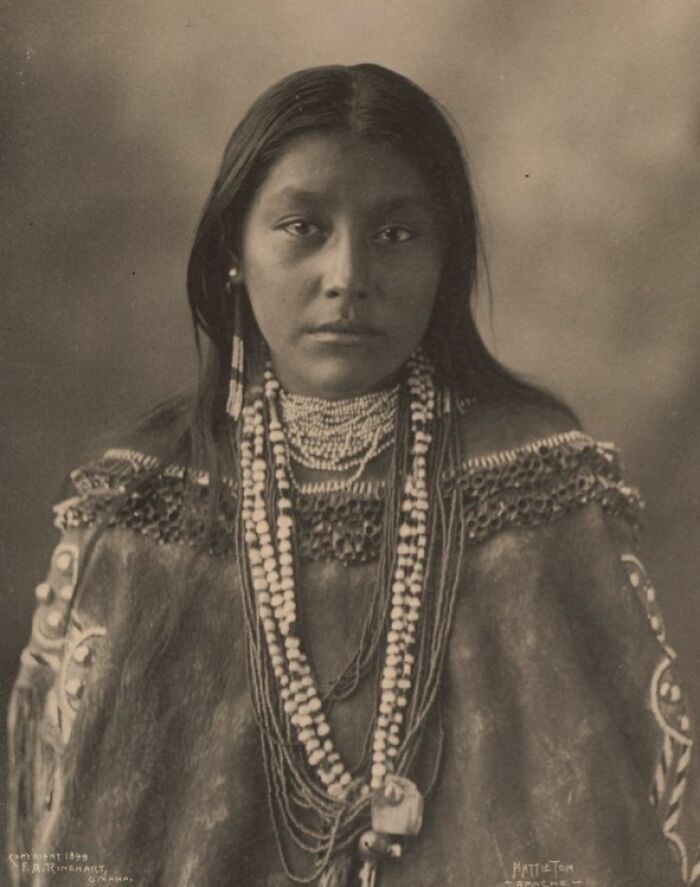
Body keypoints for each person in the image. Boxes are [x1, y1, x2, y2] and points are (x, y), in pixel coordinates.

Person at [7, 63, 699, 887]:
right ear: (233, 252)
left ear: (448, 260)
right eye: (303, 227)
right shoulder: (141, 510)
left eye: (397, 234)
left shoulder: (535, 489)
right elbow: (55, 826)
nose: (348, 277)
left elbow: (617, 827)